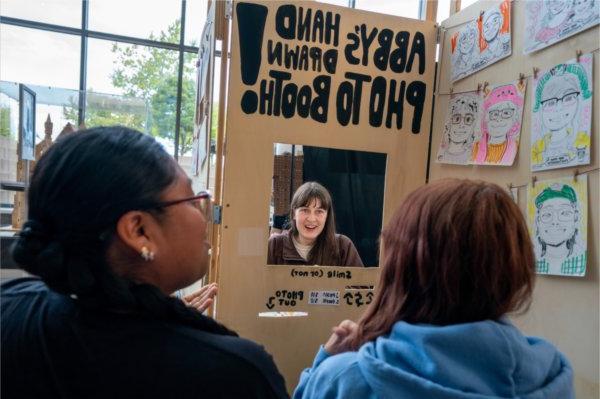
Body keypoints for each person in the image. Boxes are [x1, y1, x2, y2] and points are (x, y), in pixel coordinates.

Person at [1, 126, 288, 399]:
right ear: (139, 231)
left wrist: (152, 310)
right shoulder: (234, 376)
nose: (204, 214)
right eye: (191, 199)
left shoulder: (10, 306)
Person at [294, 179, 574, 399]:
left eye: (319, 210)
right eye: (305, 209)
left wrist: (324, 363)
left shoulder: (346, 379)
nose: (312, 217)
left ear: (402, 268)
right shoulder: (554, 375)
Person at [268, 182, 363, 266]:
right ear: (293, 213)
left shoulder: (343, 246)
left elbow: (359, 285)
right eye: (305, 210)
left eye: (319, 211)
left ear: (327, 216)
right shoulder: (275, 245)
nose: (311, 219)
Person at [531, 62, 591, 170]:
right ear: (540, 108)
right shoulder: (537, 147)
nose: (559, 108)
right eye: (550, 102)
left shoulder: (581, 139)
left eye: (568, 98)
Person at [534, 183, 586, 276]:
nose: (555, 221)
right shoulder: (533, 260)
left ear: (576, 218)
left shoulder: (581, 258)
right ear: (538, 221)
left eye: (564, 213)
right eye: (547, 214)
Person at [472, 83, 523, 165]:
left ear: (514, 118)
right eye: (494, 114)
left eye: (506, 113)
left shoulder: (514, 147)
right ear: (486, 118)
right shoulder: (476, 148)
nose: (499, 119)